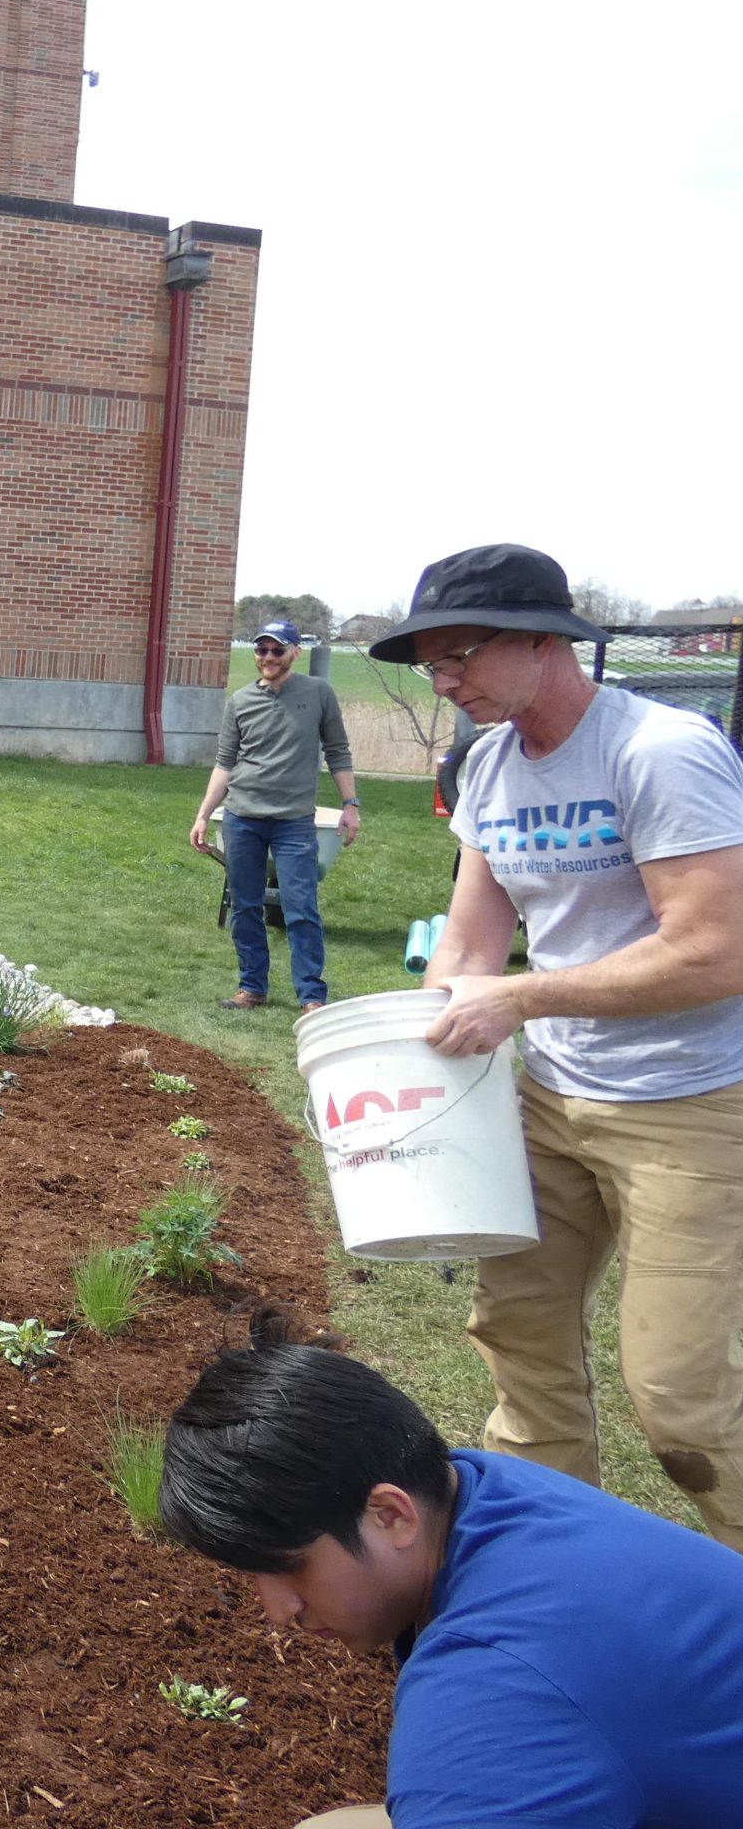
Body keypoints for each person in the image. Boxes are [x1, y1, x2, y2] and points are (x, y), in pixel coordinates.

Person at [370, 542, 743, 1551]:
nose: (443, 684)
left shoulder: (658, 753)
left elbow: (715, 952)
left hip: (691, 1104)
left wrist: (520, 998)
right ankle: (556, 1581)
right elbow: (469, 938)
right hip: (546, 1098)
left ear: (545, 642)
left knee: (680, 1401)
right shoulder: (489, 763)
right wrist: (408, 1046)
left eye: (459, 658)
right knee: (520, 1350)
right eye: (429, 668)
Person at [158, 1315, 743, 1828]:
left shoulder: (494, 1689)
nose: (279, 1611)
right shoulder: (480, 1484)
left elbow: (503, 1716)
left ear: (390, 1514)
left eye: (290, 1567)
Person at [190, 618, 359, 1013]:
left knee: (301, 907)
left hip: (294, 822)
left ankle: (311, 995)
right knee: (245, 906)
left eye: (277, 649)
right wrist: (203, 816)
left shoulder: (318, 694)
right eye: (261, 649)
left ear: (294, 653)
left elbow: (338, 751)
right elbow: (224, 764)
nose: (268, 656)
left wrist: (351, 805)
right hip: (242, 818)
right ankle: (252, 987)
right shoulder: (241, 702)